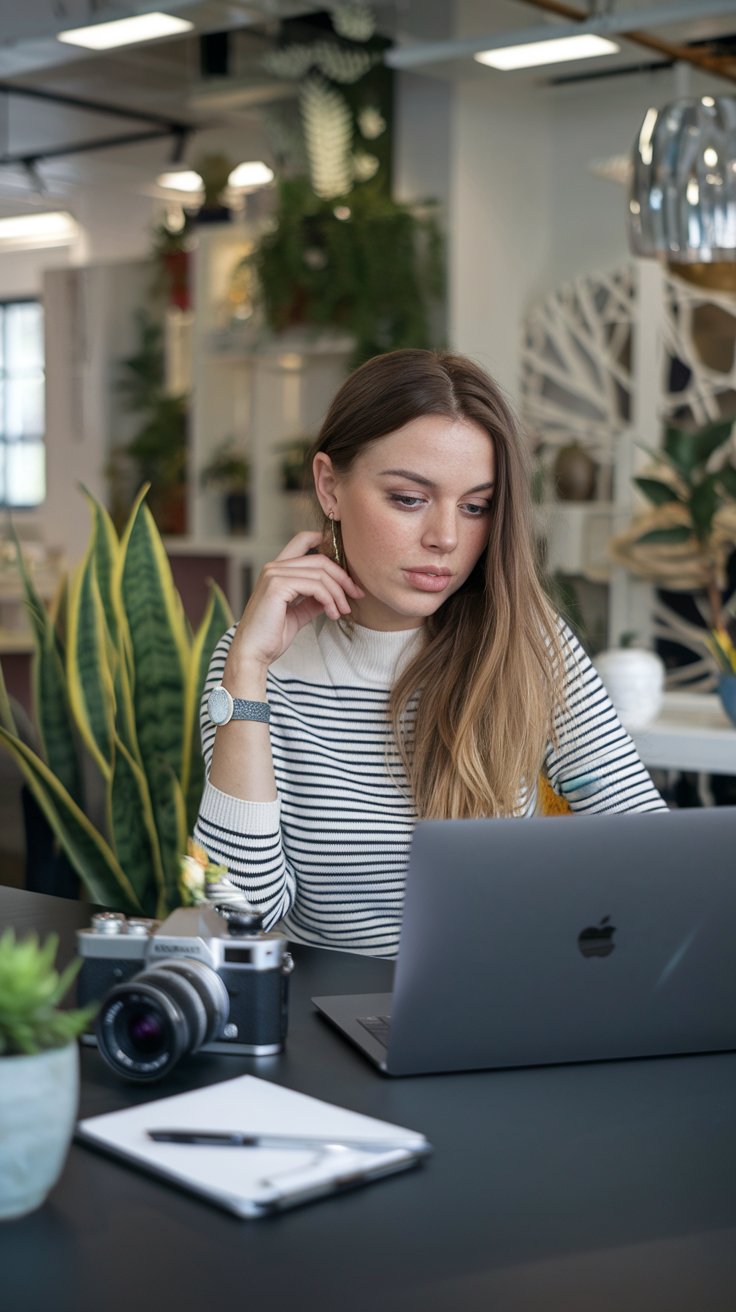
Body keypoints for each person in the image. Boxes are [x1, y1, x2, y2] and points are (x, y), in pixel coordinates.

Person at [194, 349, 666, 958]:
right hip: (326, 1022)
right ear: (329, 486)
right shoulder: (254, 667)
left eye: (475, 507)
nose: (446, 537)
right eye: (409, 499)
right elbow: (236, 917)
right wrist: (248, 671)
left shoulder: (526, 644)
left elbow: (645, 845)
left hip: (497, 1010)